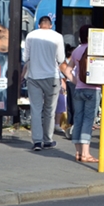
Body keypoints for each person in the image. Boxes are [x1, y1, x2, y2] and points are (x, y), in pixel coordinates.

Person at [22, 15, 69, 151]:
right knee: (50, 109)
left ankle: (37, 141)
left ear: (38, 25)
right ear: (50, 25)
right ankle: (47, 140)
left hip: (34, 77)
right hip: (52, 77)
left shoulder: (31, 36)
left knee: (36, 109)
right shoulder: (57, 36)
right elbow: (60, 59)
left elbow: (26, 57)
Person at [65, 25, 98, 163]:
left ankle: (78, 152)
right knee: (88, 120)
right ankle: (86, 154)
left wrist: (77, 82)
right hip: (93, 89)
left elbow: (67, 70)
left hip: (78, 89)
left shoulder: (77, 50)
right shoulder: (94, 50)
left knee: (78, 119)